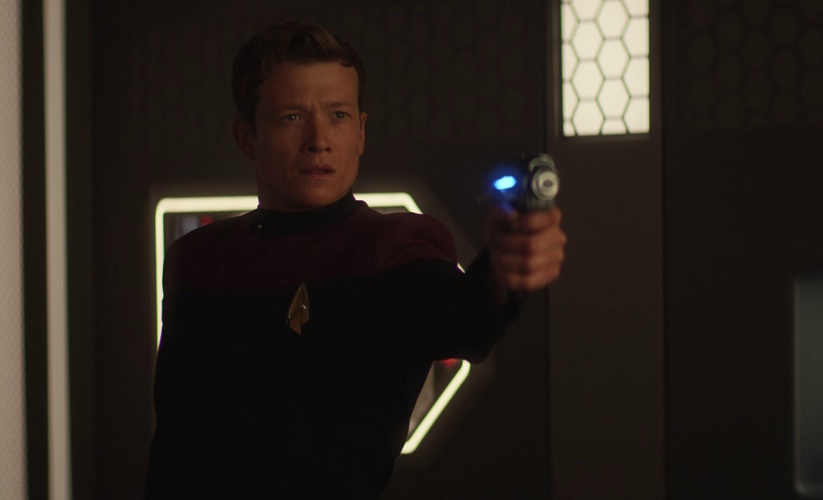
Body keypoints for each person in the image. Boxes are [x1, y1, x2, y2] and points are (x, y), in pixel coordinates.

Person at [145, 20, 566, 499]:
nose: (318, 139)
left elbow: (466, 319)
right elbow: (175, 445)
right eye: (291, 117)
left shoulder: (395, 246)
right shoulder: (197, 258)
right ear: (247, 138)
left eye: (339, 115)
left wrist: (503, 270)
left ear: (361, 132)